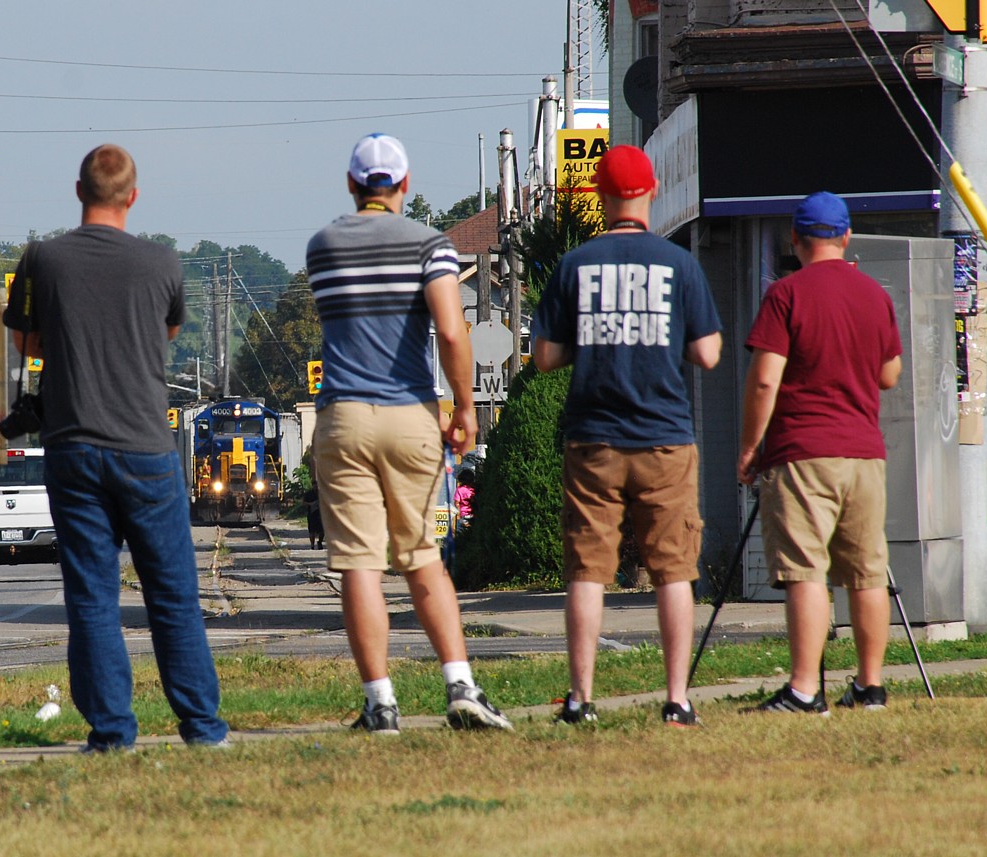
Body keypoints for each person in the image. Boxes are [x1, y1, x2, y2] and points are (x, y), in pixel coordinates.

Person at [3, 144, 229, 751]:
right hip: (147, 449)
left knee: (93, 597)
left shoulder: (42, 259)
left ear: (79, 191)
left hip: (73, 447)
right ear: (133, 196)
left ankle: (110, 734)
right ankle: (203, 730)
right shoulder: (162, 262)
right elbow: (167, 331)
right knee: (173, 596)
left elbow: (26, 341)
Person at [306, 132, 512, 734]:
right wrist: (464, 408)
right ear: (405, 183)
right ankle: (460, 686)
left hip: (343, 415)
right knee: (422, 558)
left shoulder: (323, 247)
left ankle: (380, 703)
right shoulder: (431, 246)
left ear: (352, 184)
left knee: (359, 566)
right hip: (411, 414)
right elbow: (450, 330)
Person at [532, 145, 723, 728]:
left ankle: (581, 699)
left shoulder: (575, 264)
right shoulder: (678, 264)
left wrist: (593, 341)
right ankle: (677, 699)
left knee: (588, 570)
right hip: (665, 438)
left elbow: (544, 356)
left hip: (594, 439)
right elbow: (708, 354)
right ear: (652, 191)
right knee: (674, 570)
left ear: (599, 195)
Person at [738, 191, 903, 715]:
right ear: (846, 236)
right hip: (864, 455)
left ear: (795, 239)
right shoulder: (873, 294)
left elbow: (765, 380)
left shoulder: (785, 294)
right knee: (867, 571)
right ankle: (870, 687)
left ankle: (806, 690)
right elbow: (890, 374)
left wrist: (749, 447)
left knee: (805, 570)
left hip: (803, 451)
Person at [452, 467, 476, 535]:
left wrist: (458, 513)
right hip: (472, 513)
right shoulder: (473, 489)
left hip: (463, 514)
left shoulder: (459, 489)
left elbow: (456, 503)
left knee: (461, 533)